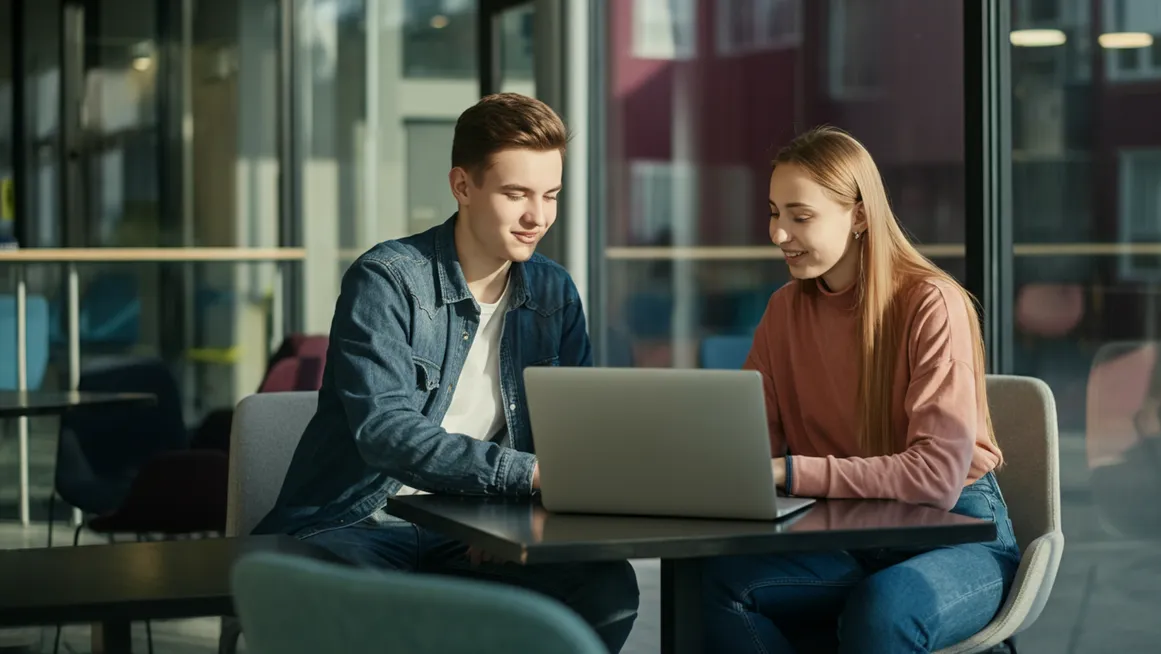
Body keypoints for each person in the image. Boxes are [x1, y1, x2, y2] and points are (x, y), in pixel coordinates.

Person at [253, 93, 638, 652]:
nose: (538, 216)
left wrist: (505, 521)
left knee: (606, 590)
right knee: (353, 610)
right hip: (358, 525)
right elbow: (386, 432)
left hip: (474, 529)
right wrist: (522, 478)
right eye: (516, 194)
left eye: (550, 195)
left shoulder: (553, 293)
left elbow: (573, 433)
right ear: (462, 186)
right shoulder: (388, 281)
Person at [701, 126, 1020, 653]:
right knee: (711, 584)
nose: (779, 234)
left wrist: (792, 471)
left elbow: (937, 477)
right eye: (775, 212)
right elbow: (749, 437)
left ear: (860, 216)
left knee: (887, 609)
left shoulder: (930, 303)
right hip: (845, 532)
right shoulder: (785, 310)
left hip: (957, 531)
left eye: (800, 217)